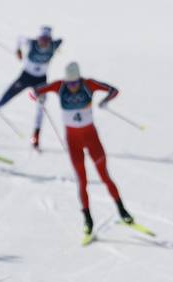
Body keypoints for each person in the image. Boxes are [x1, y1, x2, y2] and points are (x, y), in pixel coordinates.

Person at [34, 62, 134, 238]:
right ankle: (88, 220)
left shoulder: (88, 84)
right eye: (70, 84)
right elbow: (36, 90)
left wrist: (105, 101)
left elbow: (114, 90)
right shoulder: (60, 86)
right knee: (82, 180)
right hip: (74, 142)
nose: (72, 87)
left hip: (91, 138)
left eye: (75, 83)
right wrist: (40, 98)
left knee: (104, 176)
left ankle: (122, 211)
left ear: (80, 79)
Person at [0, 26, 62, 149]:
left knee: (41, 106)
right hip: (25, 77)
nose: (43, 42)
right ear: (38, 38)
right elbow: (19, 38)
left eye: (46, 39)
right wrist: (18, 50)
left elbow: (61, 40)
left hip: (40, 80)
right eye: (42, 38)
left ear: (50, 39)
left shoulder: (54, 45)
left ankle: (36, 135)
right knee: (3, 100)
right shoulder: (31, 43)